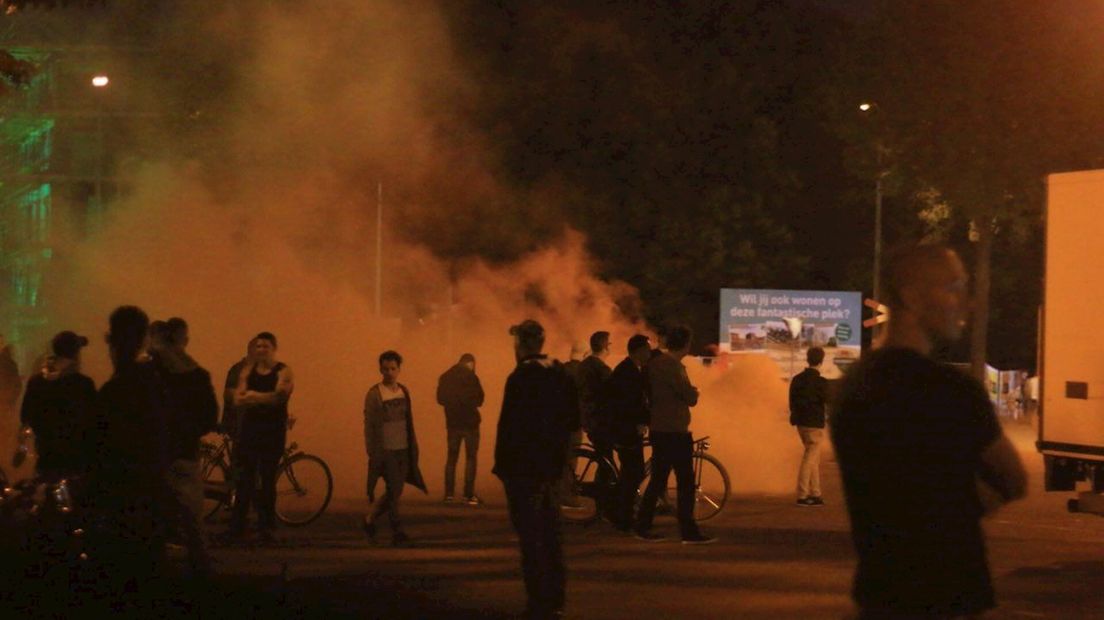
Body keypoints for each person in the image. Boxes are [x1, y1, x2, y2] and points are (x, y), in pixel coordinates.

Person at [832, 243, 1027, 618]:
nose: (966, 303)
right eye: (953, 287)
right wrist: (962, 503)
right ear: (911, 297)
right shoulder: (951, 389)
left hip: (878, 594)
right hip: (947, 595)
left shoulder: (851, 388)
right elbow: (1014, 479)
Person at [494, 319, 579, 619]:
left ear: (522, 345)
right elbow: (573, 421)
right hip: (552, 469)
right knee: (552, 534)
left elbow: (509, 428)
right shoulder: (560, 373)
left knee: (530, 538)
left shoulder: (520, 377)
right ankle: (556, 599)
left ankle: (537, 603)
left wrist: (503, 469)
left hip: (524, 471)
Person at [87, 305, 172, 605]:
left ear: (111, 341)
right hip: (150, 507)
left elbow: (97, 454)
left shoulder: (115, 392)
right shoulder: (156, 386)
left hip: (119, 511)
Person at [635, 325, 716, 544]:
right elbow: (689, 397)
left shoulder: (655, 364)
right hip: (675, 431)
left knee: (658, 479)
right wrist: (694, 392)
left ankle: (642, 525)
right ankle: (688, 531)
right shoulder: (673, 366)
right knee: (686, 481)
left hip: (659, 428)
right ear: (686, 344)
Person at [155, 317, 218, 575]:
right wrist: (189, 431)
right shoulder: (197, 374)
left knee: (154, 512)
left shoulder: (150, 372)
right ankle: (201, 570)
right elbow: (209, 416)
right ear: (184, 340)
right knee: (192, 515)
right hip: (185, 451)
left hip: (156, 453)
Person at [228, 332, 294, 543]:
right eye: (258, 346)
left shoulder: (283, 370)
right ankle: (238, 527)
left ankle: (266, 527)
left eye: (265, 346)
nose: (261, 350)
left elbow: (279, 397)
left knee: (267, 480)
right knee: (244, 480)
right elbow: (238, 399)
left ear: (274, 348)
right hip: (250, 431)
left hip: (272, 433)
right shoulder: (247, 371)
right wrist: (259, 398)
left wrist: (254, 396)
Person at [363, 350, 427, 546]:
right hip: (385, 449)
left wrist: (412, 446)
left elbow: (409, 420)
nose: (389, 372)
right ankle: (397, 531)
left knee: (395, 490)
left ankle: (369, 519)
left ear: (399, 369)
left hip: (403, 447)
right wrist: (372, 450)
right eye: (385, 369)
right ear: (380, 369)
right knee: (393, 488)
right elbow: (369, 423)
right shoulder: (374, 394)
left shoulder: (404, 391)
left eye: (393, 368)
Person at [19, 331, 97, 479]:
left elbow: (25, 416)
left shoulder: (36, 383)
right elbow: (94, 422)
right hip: (76, 462)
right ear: (76, 354)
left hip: (46, 457)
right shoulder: (83, 385)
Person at [599, 334, 653, 532]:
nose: (649, 353)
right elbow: (629, 404)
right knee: (634, 472)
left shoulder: (631, 369)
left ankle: (617, 510)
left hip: (625, 428)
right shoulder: (627, 372)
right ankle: (622, 515)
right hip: (625, 430)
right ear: (638, 351)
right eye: (647, 349)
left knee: (630, 472)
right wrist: (642, 420)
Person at [436, 352, 485, 505]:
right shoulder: (472, 377)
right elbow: (480, 399)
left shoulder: (445, 376)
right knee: (470, 458)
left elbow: (440, 399)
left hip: (452, 423)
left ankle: (449, 494)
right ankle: (468, 495)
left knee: (451, 458)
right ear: (470, 363)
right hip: (470, 424)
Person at [790, 346, 829, 507]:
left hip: (801, 424)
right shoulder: (821, 382)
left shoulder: (797, 379)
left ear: (807, 359)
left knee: (813, 458)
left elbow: (791, 401)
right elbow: (828, 401)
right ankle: (803, 495)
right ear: (821, 361)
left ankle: (816, 494)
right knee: (809, 458)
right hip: (815, 425)